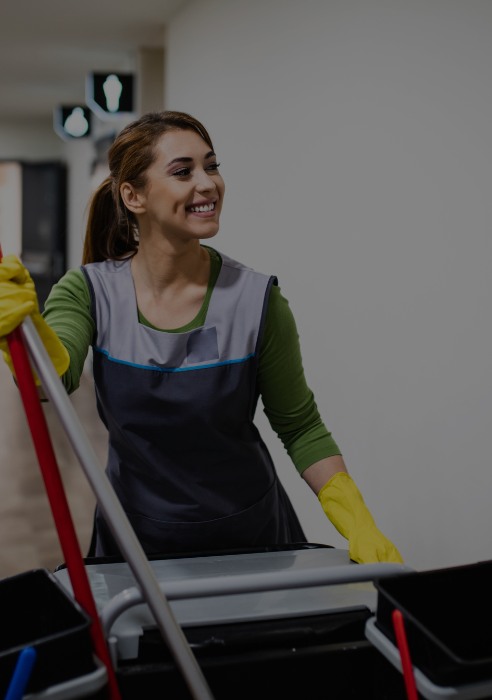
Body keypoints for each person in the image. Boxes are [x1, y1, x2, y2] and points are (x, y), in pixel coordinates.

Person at [0, 111, 402, 563]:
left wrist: (358, 522)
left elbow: (301, 425)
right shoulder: (90, 292)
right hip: (136, 542)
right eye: (183, 171)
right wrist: (25, 331)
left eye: (211, 166)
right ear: (133, 196)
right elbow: (49, 383)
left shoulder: (255, 300)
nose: (208, 183)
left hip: (252, 538)